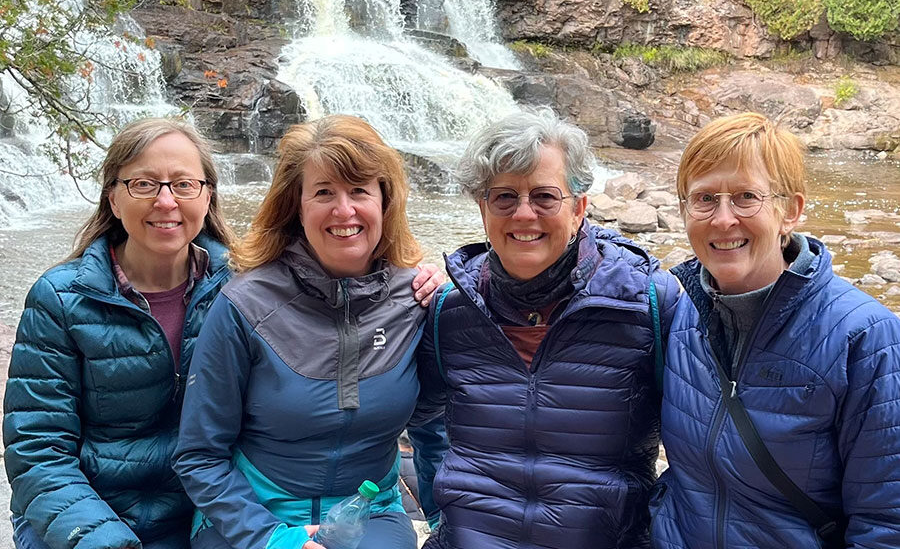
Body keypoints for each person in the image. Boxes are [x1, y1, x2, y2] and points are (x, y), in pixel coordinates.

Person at [172, 115, 448, 549]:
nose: (344, 210)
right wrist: (271, 539)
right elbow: (199, 456)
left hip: (370, 514)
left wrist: (444, 522)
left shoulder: (418, 300)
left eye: (359, 190)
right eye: (323, 193)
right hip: (250, 517)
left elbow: (436, 423)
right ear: (296, 208)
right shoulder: (244, 305)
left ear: (385, 202)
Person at [416, 109, 681, 549]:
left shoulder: (649, 303)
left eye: (544, 197)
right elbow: (406, 416)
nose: (523, 214)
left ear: (579, 207)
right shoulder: (449, 309)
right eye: (504, 197)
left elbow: (701, 449)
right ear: (482, 208)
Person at [650, 112, 900, 548]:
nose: (723, 219)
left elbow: (887, 521)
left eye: (747, 196)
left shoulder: (865, 338)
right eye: (704, 198)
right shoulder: (678, 311)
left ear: (791, 211)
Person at [3, 118, 236, 549]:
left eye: (184, 184)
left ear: (207, 197)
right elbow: (37, 447)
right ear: (113, 197)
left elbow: (335, 272)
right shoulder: (60, 298)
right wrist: (102, 539)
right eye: (144, 184)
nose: (166, 201)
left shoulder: (242, 288)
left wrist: (404, 274)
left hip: (200, 517)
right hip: (80, 516)